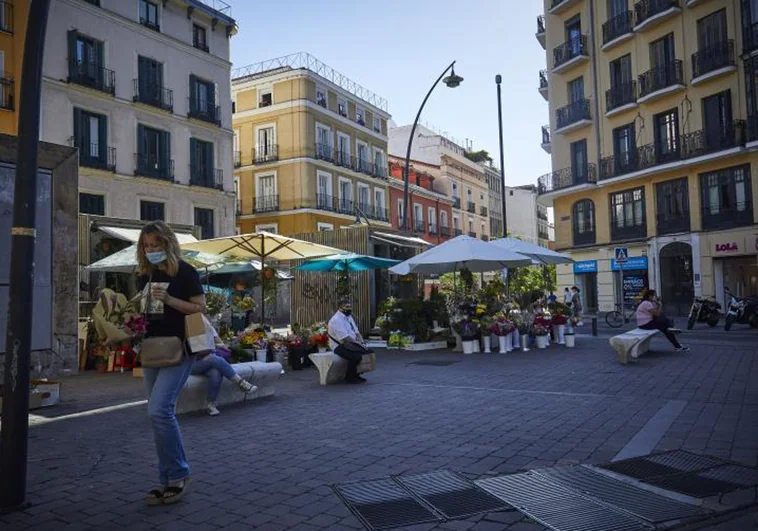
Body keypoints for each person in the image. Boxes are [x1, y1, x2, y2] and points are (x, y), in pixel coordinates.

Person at [137, 221, 205, 506]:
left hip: (181, 347)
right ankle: (166, 479)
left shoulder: (185, 272)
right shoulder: (144, 274)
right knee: (157, 415)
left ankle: (178, 474)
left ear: (168, 244)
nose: (151, 250)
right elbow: (145, 313)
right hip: (152, 348)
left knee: (159, 411)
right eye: (147, 246)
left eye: (156, 245)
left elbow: (200, 307)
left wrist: (168, 298)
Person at [191, 323, 257, 416]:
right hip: (189, 364)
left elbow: (218, 343)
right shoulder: (190, 323)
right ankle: (240, 382)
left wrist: (214, 346)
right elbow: (192, 351)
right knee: (213, 358)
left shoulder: (204, 323)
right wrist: (210, 349)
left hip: (205, 360)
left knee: (215, 372)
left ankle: (210, 404)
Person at [327, 299, 369, 384]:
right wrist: (359, 344)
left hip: (350, 344)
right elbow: (345, 338)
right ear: (340, 308)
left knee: (367, 352)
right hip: (339, 345)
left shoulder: (348, 317)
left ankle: (356, 374)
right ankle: (350, 377)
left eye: (350, 306)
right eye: (347, 307)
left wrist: (362, 343)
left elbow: (357, 332)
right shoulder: (336, 320)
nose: (349, 308)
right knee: (355, 356)